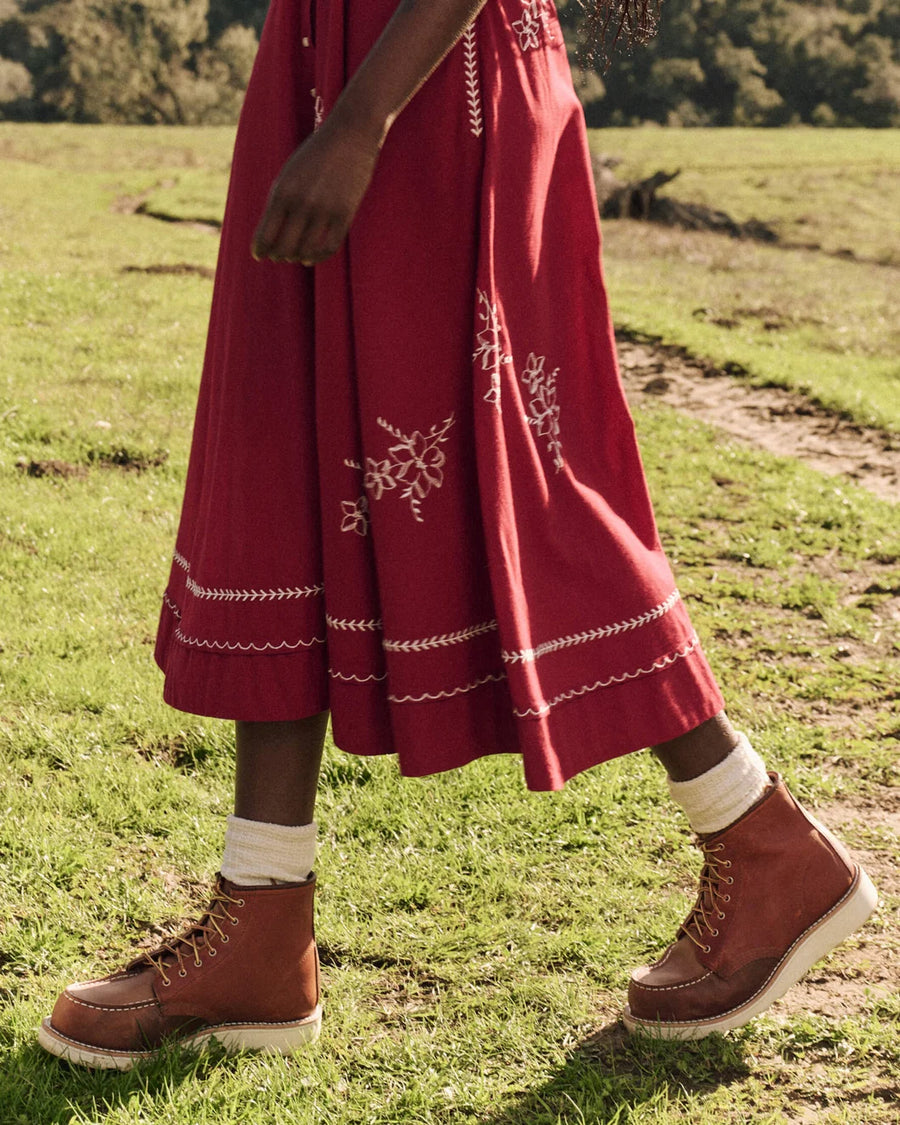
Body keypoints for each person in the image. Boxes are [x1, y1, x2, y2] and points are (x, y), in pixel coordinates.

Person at [38, 0, 876, 1069]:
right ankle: (261, 918)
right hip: (342, 67)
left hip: (423, 89)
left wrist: (361, 121)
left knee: (511, 478)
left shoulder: (380, 111)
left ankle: (763, 840)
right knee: (290, 458)